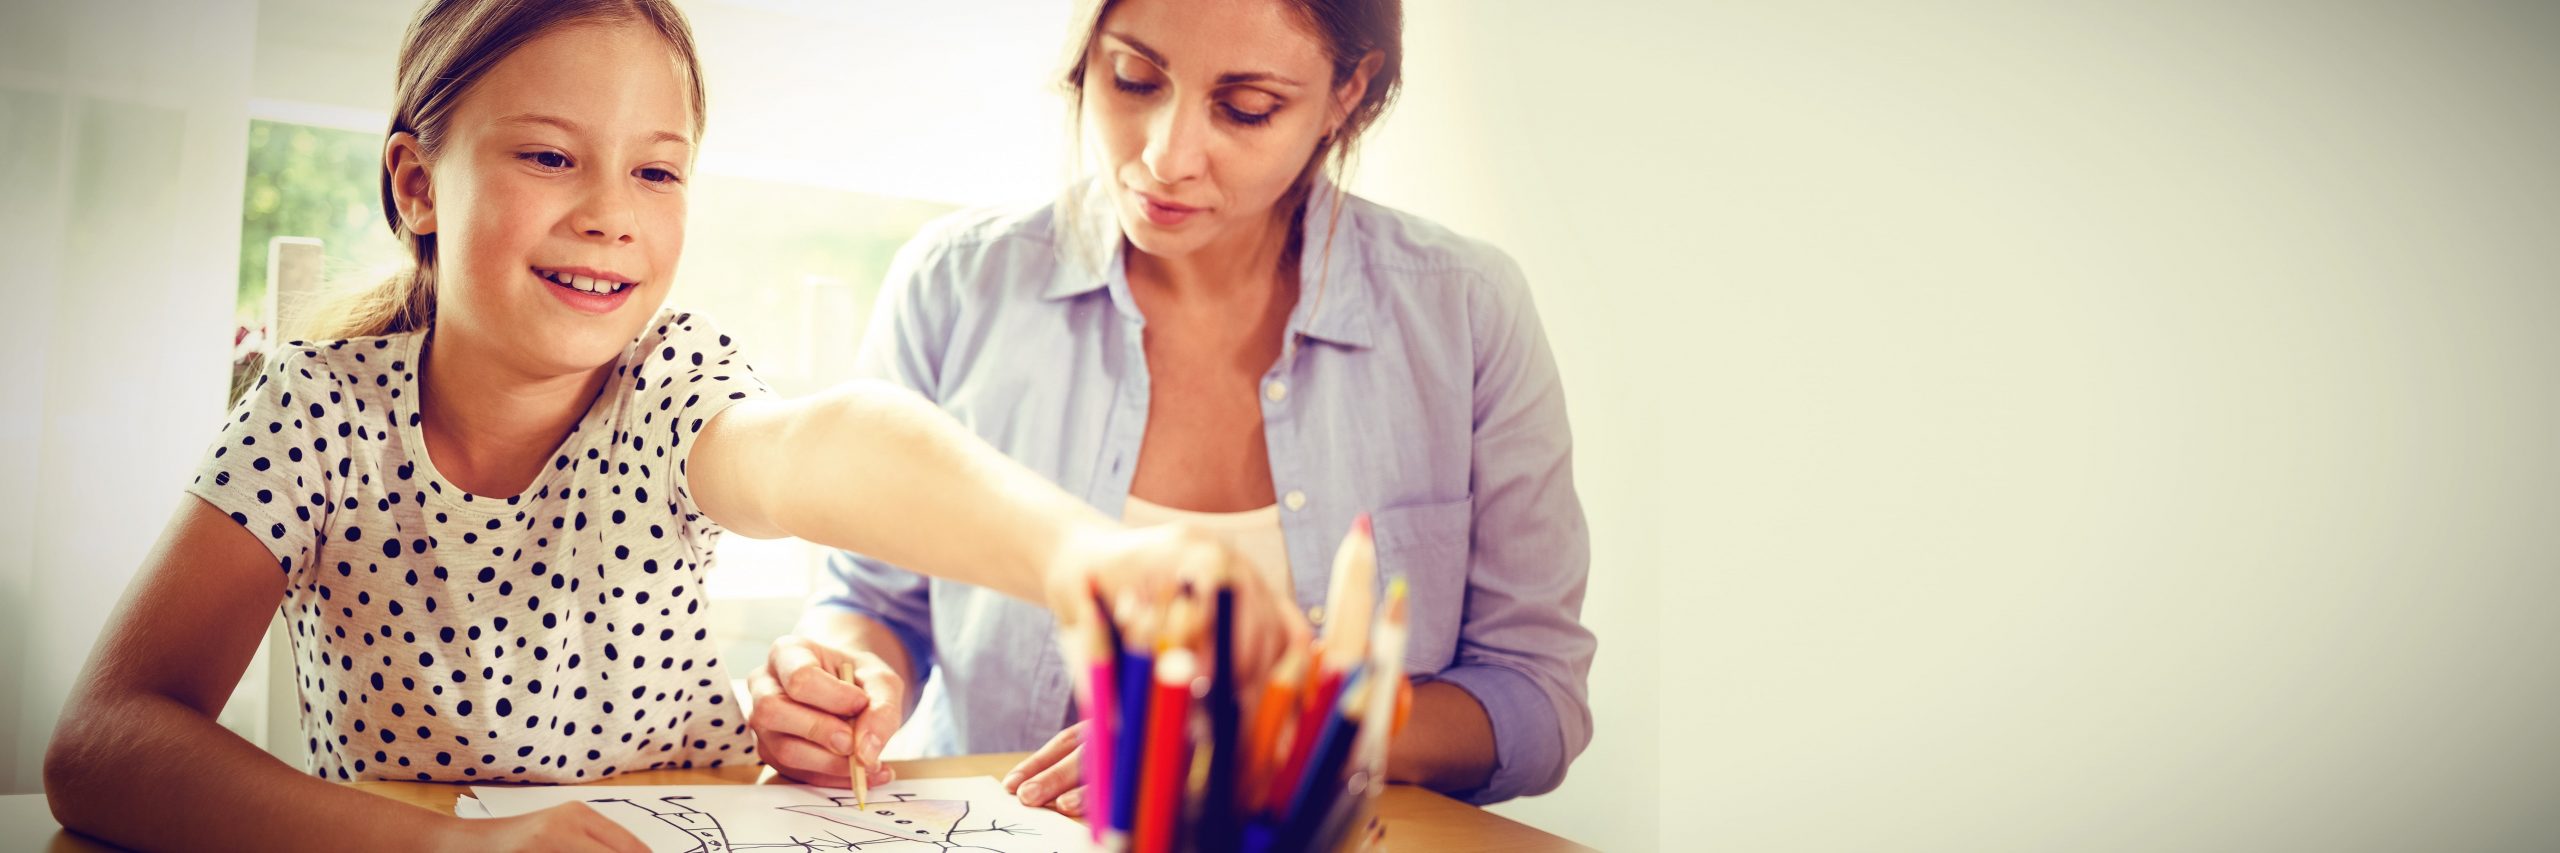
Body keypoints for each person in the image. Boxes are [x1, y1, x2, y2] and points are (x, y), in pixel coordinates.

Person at [40, 2, 1291, 850]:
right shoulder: (320, 411)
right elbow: (102, 740)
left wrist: (1085, 561)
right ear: (419, 184)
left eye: (656, 169)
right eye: (546, 158)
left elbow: (824, 447)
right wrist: (454, 846)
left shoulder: (672, 377)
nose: (610, 215)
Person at [750, 0, 1593, 810]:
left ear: (1348, 92)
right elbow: (871, 601)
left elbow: (1533, 693)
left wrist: (1278, 735)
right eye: (1134, 79)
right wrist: (842, 679)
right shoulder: (956, 284)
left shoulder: (1463, 310)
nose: (1166, 155)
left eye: (1248, 108)